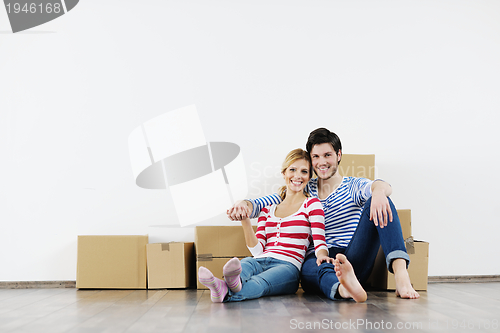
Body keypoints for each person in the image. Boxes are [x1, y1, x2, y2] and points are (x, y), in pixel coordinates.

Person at [228, 128, 419, 300]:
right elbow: (259, 204)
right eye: (316, 157)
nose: (321, 162)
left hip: (353, 255)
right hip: (318, 258)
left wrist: (378, 192)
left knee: (382, 200)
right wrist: (242, 204)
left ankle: (401, 275)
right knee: (309, 269)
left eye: (327, 155)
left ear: (338, 155)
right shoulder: (302, 187)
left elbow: (383, 186)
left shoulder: (352, 186)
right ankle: (344, 289)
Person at [198, 149, 337, 303]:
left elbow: (319, 241)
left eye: (304, 171)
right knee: (245, 263)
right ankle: (227, 285)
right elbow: (257, 251)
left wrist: (323, 256)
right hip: (261, 259)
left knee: (260, 283)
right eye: (292, 170)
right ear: (284, 173)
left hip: (288, 266)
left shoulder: (312, 204)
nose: (297, 176)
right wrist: (245, 220)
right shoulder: (268, 209)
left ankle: (221, 288)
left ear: (309, 177)